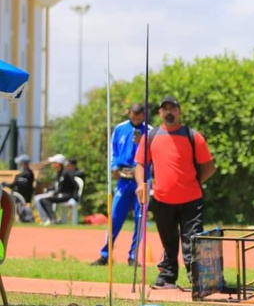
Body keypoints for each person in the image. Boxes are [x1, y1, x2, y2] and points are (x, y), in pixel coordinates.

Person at [134, 95, 216, 289]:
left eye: (173, 108)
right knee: (168, 241)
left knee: (192, 240)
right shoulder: (151, 136)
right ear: (160, 113)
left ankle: (196, 278)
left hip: (191, 200)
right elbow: (140, 164)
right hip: (162, 199)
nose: (169, 112)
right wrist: (140, 184)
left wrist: (193, 183)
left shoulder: (192, 135)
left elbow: (209, 167)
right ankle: (168, 276)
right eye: (165, 109)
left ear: (179, 111)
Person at [91, 103, 150, 267]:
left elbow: (154, 154)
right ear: (129, 113)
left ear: (144, 115)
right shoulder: (120, 128)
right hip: (123, 179)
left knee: (140, 218)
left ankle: (133, 256)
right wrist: (114, 167)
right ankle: (105, 254)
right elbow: (113, 150)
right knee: (115, 216)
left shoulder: (150, 131)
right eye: (134, 116)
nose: (136, 120)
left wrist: (142, 142)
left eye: (139, 117)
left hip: (142, 180)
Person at [34, 154, 78, 225]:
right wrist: (50, 190)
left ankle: (53, 219)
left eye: (54, 163)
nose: (53, 165)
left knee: (46, 200)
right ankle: (50, 219)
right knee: (42, 199)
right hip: (59, 194)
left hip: (66, 195)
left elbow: (75, 186)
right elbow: (57, 186)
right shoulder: (59, 173)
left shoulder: (66, 173)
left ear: (59, 164)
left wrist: (75, 198)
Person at [3, 154, 35, 222]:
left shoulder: (27, 174)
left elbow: (17, 184)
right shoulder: (24, 173)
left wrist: (6, 185)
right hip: (18, 194)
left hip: (23, 196)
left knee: (10, 197)